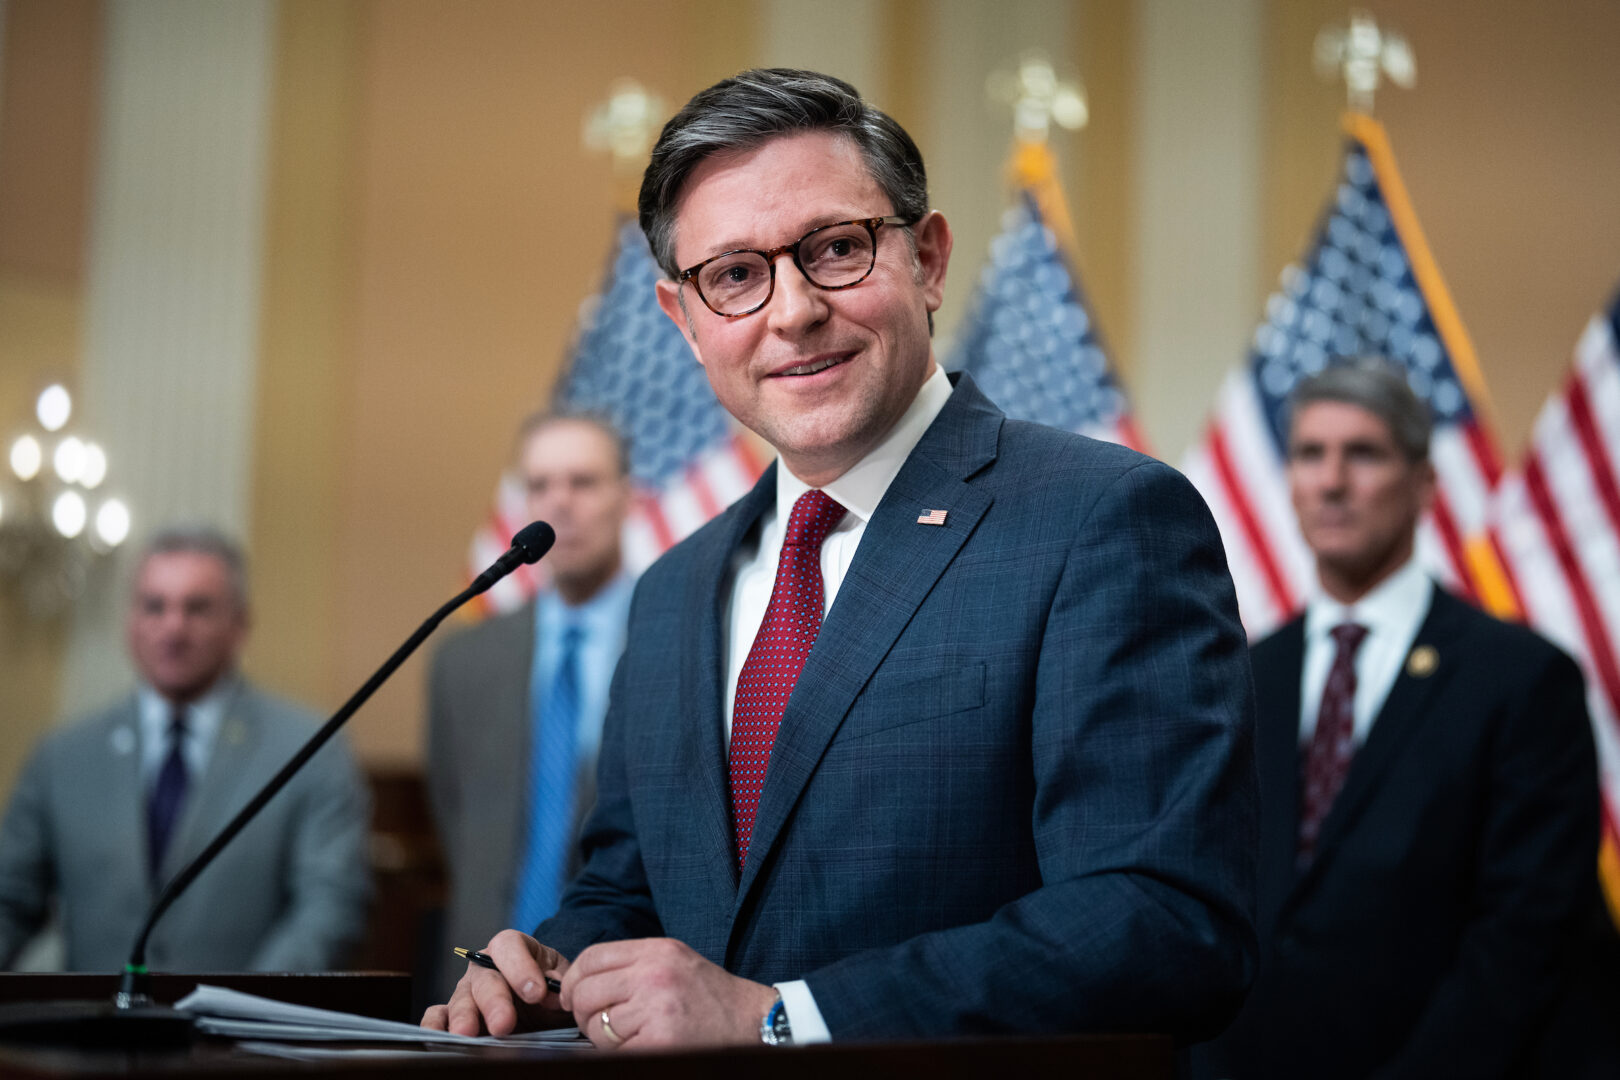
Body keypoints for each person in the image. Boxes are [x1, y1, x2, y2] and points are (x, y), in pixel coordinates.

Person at [425, 68, 1257, 1049]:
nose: (793, 311)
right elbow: (631, 888)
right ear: (683, 321)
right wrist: (547, 968)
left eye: (835, 249)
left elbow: (1163, 925)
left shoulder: (1104, 521)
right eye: (734, 275)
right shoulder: (673, 588)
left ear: (930, 259)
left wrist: (784, 1019)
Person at [1194, 362, 1602, 1079]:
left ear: (1422, 485)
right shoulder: (1246, 675)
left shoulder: (1521, 679)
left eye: (1365, 453)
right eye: (1310, 454)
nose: (1332, 481)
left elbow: (1522, 936)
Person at [0, 526, 370, 972]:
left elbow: (331, 906)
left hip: (241, 1035)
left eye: (197, 608)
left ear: (240, 624)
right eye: (154, 606)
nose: (173, 627)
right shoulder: (63, 757)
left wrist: (243, 1011)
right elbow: (10, 898)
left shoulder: (311, 749)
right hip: (91, 1033)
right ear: (130, 622)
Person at [426, 412, 634, 998]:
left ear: (628, 497)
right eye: (539, 485)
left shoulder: (682, 641)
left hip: (617, 992)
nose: (558, 504)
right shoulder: (463, 661)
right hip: (476, 987)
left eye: (583, 483)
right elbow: (455, 816)